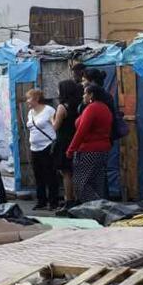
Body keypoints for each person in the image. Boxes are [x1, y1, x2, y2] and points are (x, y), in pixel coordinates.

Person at [66, 84, 113, 203]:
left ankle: (98, 206)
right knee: (97, 183)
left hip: (89, 150)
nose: (83, 96)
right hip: (103, 150)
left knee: (80, 183)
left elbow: (82, 131)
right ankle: (100, 210)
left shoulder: (92, 108)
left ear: (91, 95)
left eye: (85, 93)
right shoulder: (104, 108)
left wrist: (71, 149)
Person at [52, 79, 83, 211]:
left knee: (66, 173)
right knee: (76, 171)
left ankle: (69, 199)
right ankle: (77, 197)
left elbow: (55, 126)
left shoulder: (62, 107)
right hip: (76, 139)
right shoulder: (79, 105)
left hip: (64, 141)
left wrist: (50, 119)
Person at [25, 89, 59, 210]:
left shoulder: (49, 110)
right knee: (38, 175)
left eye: (29, 98)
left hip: (47, 146)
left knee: (50, 175)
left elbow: (55, 125)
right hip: (34, 147)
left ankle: (53, 201)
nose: (27, 101)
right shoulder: (30, 112)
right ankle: (41, 201)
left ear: (36, 99)